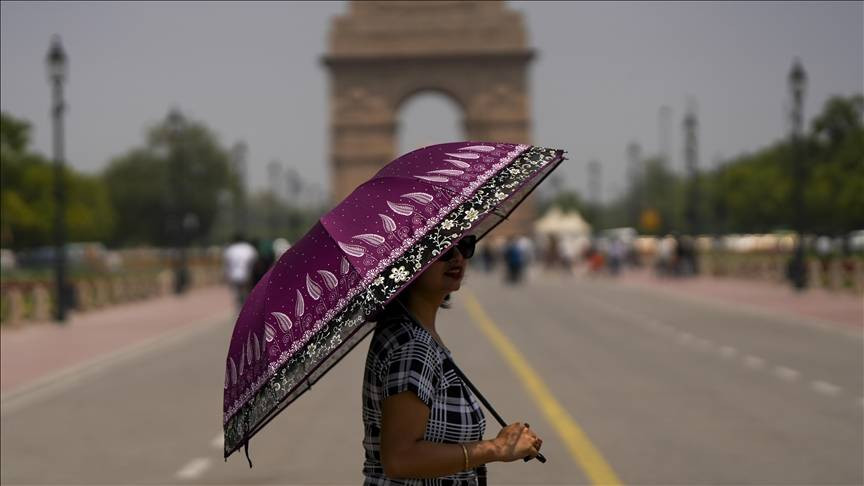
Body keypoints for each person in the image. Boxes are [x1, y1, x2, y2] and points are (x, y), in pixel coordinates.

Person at [362, 235, 543, 484]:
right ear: (405, 262)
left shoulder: (413, 333)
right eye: (441, 248)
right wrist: (496, 448)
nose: (457, 257)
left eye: (464, 245)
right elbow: (400, 458)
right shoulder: (413, 346)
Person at [223, 233, 258, 310]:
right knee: (246, 293)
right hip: (247, 274)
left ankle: (239, 308)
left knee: (237, 294)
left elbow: (227, 264)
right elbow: (254, 261)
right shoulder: (249, 248)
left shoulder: (230, 249)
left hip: (234, 275)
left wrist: (226, 275)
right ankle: (245, 307)